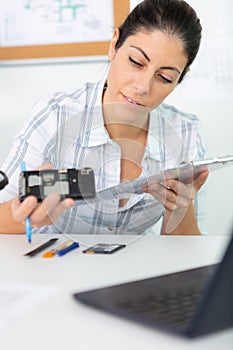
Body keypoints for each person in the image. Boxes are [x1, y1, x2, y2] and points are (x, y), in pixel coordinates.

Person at [0, 0, 208, 236]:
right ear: (114, 45)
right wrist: (22, 216)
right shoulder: (54, 115)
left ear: (180, 77)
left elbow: (187, 254)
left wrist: (180, 206)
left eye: (165, 78)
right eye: (136, 62)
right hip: (53, 267)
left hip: (136, 271)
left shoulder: (185, 132)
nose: (142, 87)